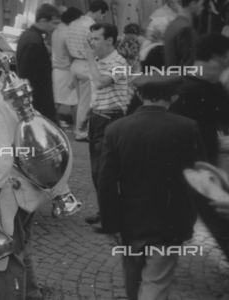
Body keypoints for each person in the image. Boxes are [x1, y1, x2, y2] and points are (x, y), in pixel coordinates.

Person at [98, 72, 206, 300]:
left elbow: (106, 181)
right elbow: (197, 180)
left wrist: (111, 224)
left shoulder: (116, 129)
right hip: (169, 224)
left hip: (129, 223)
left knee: (133, 280)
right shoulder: (187, 128)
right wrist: (189, 221)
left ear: (138, 94)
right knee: (156, 282)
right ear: (173, 98)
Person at [0, 47, 51, 300]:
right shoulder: (12, 94)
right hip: (27, 184)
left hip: (7, 191)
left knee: (2, 257)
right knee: (20, 248)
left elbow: (1, 156)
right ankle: (32, 295)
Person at [170, 32, 229, 260]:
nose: (227, 63)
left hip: (205, 166)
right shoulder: (186, 89)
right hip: (194, 170)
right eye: (226, 58)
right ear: (215, 58)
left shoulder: (212, 86)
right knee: (219, 219)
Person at [83, 23, 129, 227]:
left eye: (96, 38)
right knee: (96, 169)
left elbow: (101, 82)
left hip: (111, 120)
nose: (92, 43)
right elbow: (97, 92)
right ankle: (105, 211)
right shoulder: (100, 61)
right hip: (97, 118)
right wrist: (87, 114)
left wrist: (90, 59)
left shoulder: (119, 62)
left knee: (106, 170)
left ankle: (112, 217)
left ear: (109, 40)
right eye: (91, 38)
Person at [66, 0, 108, 141]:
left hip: (75, 64)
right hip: (87, 65)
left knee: (80, 100)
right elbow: (96, 48)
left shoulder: (73, 24)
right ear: (98, 12)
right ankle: (81, 132)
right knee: (86, 102)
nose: (102, 19)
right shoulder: (92, 27)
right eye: (103, 15)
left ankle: (80, 129)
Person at [16, 4, 60, 125]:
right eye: (54, 23)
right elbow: (28, 78)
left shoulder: (31, 36)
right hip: (39, 106)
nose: (55, 27)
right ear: (42, 21)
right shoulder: (34, 41)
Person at [51, 7, 82, 127]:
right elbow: (71, 54)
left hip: (57, 69)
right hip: (66, 70)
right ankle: (78, 127)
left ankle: (78, 126)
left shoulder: (57, 30)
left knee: (61, 100)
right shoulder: (68, 32)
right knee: (72, 100)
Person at [163, 0, 203, 68]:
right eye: (201, 4)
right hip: (179, 77)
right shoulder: (186, 28)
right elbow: (189, 65)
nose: (202, 8)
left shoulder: (172, 24)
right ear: (192, 4)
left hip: (171, 76)